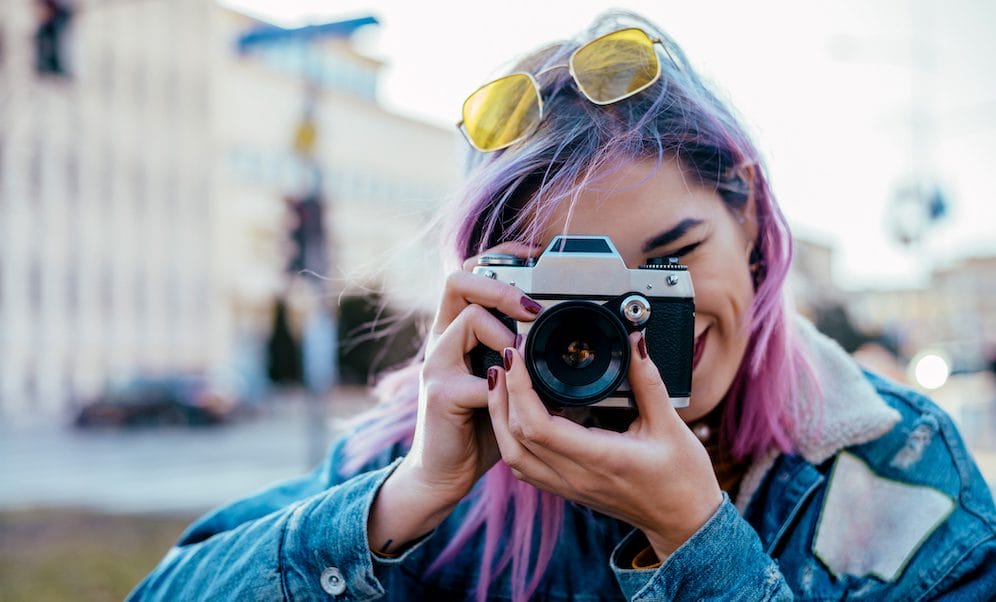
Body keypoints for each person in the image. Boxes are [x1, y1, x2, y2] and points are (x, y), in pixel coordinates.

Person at [130, 11, 995, 601]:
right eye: (569, 293)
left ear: (754, 225)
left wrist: (696, 541)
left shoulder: (894, 474)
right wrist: (409, 496)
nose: (625, 328)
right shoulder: (433, 451)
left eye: (670, 264)